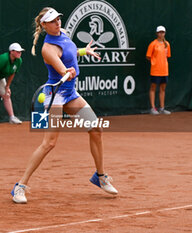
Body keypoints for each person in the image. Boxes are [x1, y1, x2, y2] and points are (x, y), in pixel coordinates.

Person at [10, 7, 118, 204]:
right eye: (52, 21)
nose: (57, 22)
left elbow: (70, 52)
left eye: (58, 18)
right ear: (44, 25)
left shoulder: (64, 34)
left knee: (95, 129)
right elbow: (61, 68)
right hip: (55, 97)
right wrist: (67, 72)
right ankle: (20, 186)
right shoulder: (47, 48)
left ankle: (100, 177)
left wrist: (84, 51)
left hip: (70, 94)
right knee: (49, 143)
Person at [146, 26, 171, 115]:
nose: (161, 34)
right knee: (153, 88)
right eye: (160, 32)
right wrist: (155, 62)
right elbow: (148, 56)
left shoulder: (167, 44)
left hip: (164, 70)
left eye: (163, 32)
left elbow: (167, 56)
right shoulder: (153, 44)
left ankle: (162, 108)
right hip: (155, 70)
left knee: (163, 89)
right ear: (157, 33)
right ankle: (153, 108)